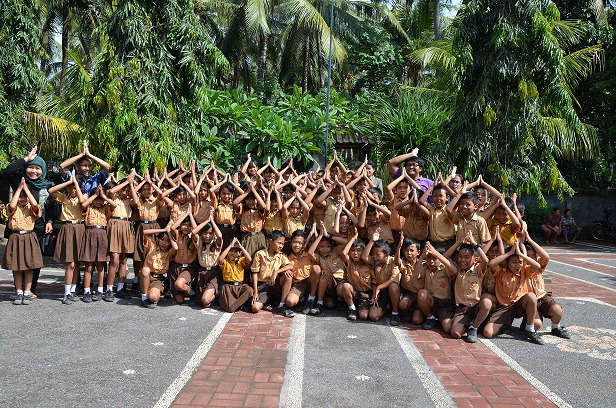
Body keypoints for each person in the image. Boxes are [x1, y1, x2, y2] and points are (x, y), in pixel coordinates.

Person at [2, 146, 51, 298]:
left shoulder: (47, 185)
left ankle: (30, 289)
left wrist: (49, 220)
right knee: (17, 258)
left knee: (34, 259)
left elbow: (49, 205)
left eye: (37, 168)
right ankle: (19, 289)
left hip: (38, 226)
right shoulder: (20, 182)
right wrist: (26, 159)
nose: (34, 171)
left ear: (43, 170)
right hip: (18, 227)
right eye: (31, 167)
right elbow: (7, 171)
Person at [484, 241, 544, 344]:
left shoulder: (524, 271)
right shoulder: (501, 271)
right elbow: (491, 263)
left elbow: (537, 266)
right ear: (507, 263)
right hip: (504, 308)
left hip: (518, 306)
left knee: (531, 296)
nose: (518, 265)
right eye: (514, 262)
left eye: (520, 262)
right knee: (488, 333)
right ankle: (505, 324)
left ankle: (529, 329)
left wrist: (520, 254)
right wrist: (509, 253)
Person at [2, 178, 44, 305]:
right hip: (15, 237)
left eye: (25, 197)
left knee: (29, 267)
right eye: (21, 197)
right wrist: (19, 188)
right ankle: (18, 291)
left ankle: (27, 291)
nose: (23, 199)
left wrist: (26, 189)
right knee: (17, 267)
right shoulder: (12, 208)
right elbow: (12, 205)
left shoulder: (32, 208)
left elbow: (36, 205)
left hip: (29, 237)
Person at [48, 173, 84, 304]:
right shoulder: (64, 197)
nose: (72, 190)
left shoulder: (83, 196)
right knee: (70, 263)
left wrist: (76, 184)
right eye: (70, 188)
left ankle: (73, 290)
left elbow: (83, 203)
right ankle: (66, 292)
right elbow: (51, 190)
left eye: (75, 188)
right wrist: (69, 182)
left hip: (80, 228)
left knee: (77, 263)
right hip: (67, 228)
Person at [447, 234, 490, 343]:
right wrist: (458, 243)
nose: (463, 260)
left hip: (475, 306)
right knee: (455, 333)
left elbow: (485, 261)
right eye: (460, 256)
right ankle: (469, 323)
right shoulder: (457, 269)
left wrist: (474, 244)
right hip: (462, 309)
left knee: (486, 304)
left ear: (475, 259)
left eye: (467, 257)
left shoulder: (478, 270)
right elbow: (445, 257)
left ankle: (474, 328)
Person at [77, 185, 116, 302]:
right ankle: (86, 291)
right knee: (89, 265)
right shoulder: (88, 207)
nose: (98, 202)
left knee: (101, 265)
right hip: (89, 234)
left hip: (102, 234)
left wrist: (103, 196)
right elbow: (83, 205)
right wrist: (95, 195)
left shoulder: (106, 208)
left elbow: (114, 205)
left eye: (100, 199)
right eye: (96, 199)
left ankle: (100, 290)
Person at [251, 230, 291, 313]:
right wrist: (255, 291)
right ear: (270, 241)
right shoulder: (260, 254)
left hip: (274, 284)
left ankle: (282, 304)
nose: (281, 246)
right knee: (255, 308)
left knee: (288, 276)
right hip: (262, 286)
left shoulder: (281, 255)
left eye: (282, 244)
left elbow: (290, 266)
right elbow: (255, 273)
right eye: (279, 243)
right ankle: (266, 301)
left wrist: (276, 272)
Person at [140, 226, 178, 308]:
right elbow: (145, 232)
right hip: (147, 277)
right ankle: (144, 297)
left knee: (153, 297)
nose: (164, 243)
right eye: (162, 239)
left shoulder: (169, 253)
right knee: (145, 270)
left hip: (158, 280)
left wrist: (169, 233)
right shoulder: (152, 246)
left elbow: (175, 247)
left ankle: (152, 294)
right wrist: (164, 229)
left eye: (167, 241)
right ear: (158, 239)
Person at [218, 238, 254, 312]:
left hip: (240, 286)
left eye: (235, 251)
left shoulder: (241, 261)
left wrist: (240, 246)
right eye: (231, 251)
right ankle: (239, 305)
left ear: (239, 253)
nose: (232, 253)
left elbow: (249, 259)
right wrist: (230, 246)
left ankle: (237, 305)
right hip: (228, 287)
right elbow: (220, 259)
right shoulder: (225, 261)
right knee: (230, 309)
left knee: (249, 290)